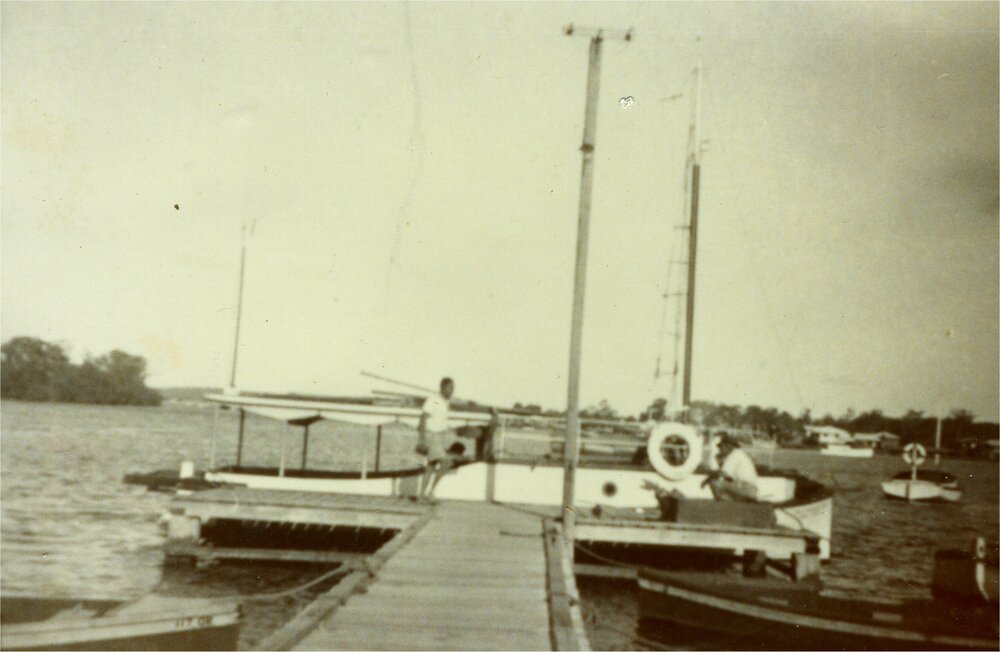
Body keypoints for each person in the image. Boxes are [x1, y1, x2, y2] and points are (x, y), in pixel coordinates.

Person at [416, 377, 455, 498]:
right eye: (450, 388)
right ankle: (430, 492)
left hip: (439, 436)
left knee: (431, 466)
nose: (452, 391)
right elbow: (423, 417)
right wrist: (422, 440)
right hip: (432, 435)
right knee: (446, 463)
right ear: (443, 387)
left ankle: (422, 495)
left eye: (453, 388)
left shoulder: (444, 402)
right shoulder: (435, 400)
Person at [702, 432, 759, 501]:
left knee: (714, 483)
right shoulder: (738, 454)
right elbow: (727, 477)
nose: (720, 450)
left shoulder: (734, 455)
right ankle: (730, 504)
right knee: (719, 484)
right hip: (749, 489)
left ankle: (725, 505)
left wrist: (707, 477)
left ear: (728, 446)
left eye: (721, 447)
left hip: (746, 488)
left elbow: (722, 473)